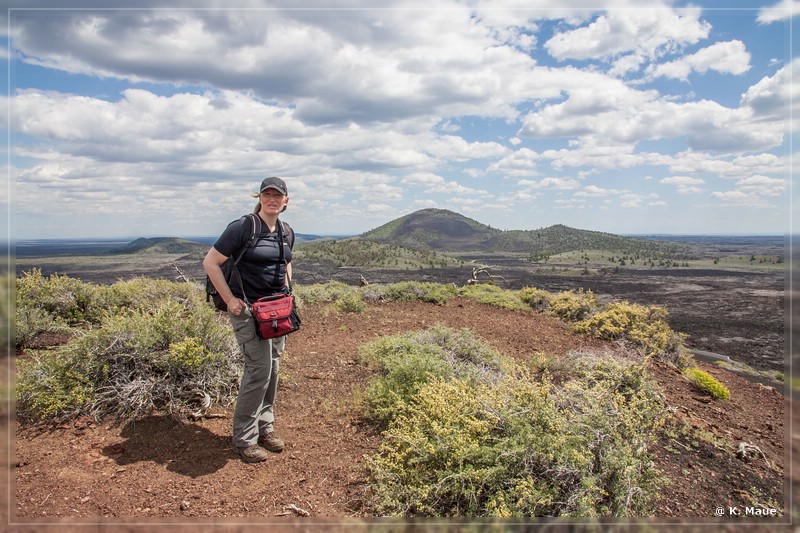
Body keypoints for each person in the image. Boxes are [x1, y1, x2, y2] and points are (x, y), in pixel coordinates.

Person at [203, 177, 295, 463]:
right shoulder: (244, 227)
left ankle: (265, 427)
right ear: (259, 198)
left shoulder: (285, 231)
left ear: (285, 201)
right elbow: (210, 262)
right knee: (259, 370)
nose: (272, 199)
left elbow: (286, 263)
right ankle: (244, 439)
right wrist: (231, 300)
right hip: (248, 311)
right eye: (267, 195)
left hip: (277, 312)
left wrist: (288, 294)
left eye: (277, 196)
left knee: (274, 368)